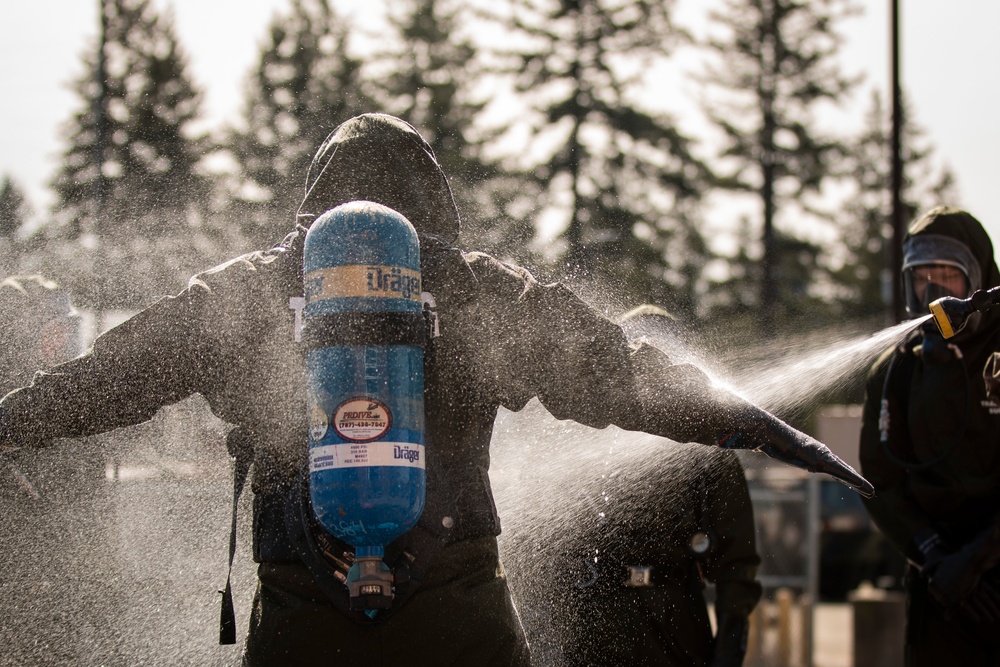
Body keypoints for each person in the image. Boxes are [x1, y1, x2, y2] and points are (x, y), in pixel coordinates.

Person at [0, 113, 868, 666]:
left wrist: (12, 417)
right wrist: (756, 424)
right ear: (431, 196)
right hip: (457, 620)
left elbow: (108, 377)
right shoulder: (475, 287)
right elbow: (623, 372)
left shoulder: (251, 290)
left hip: (302, 619)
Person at [558, 305, 760, 667]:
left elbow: (737, 562)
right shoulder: (582, 442)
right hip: (594, 623)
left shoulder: (709, 447)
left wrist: (729, 652)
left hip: (674, 624)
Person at [859, 206, 1000, 666]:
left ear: (978, 279)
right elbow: (879, 479)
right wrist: (933, 554)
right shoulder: (896, 372)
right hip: (939, 592)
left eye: (948, 275)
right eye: (923, 277)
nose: (935, 291)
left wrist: (979, 557)